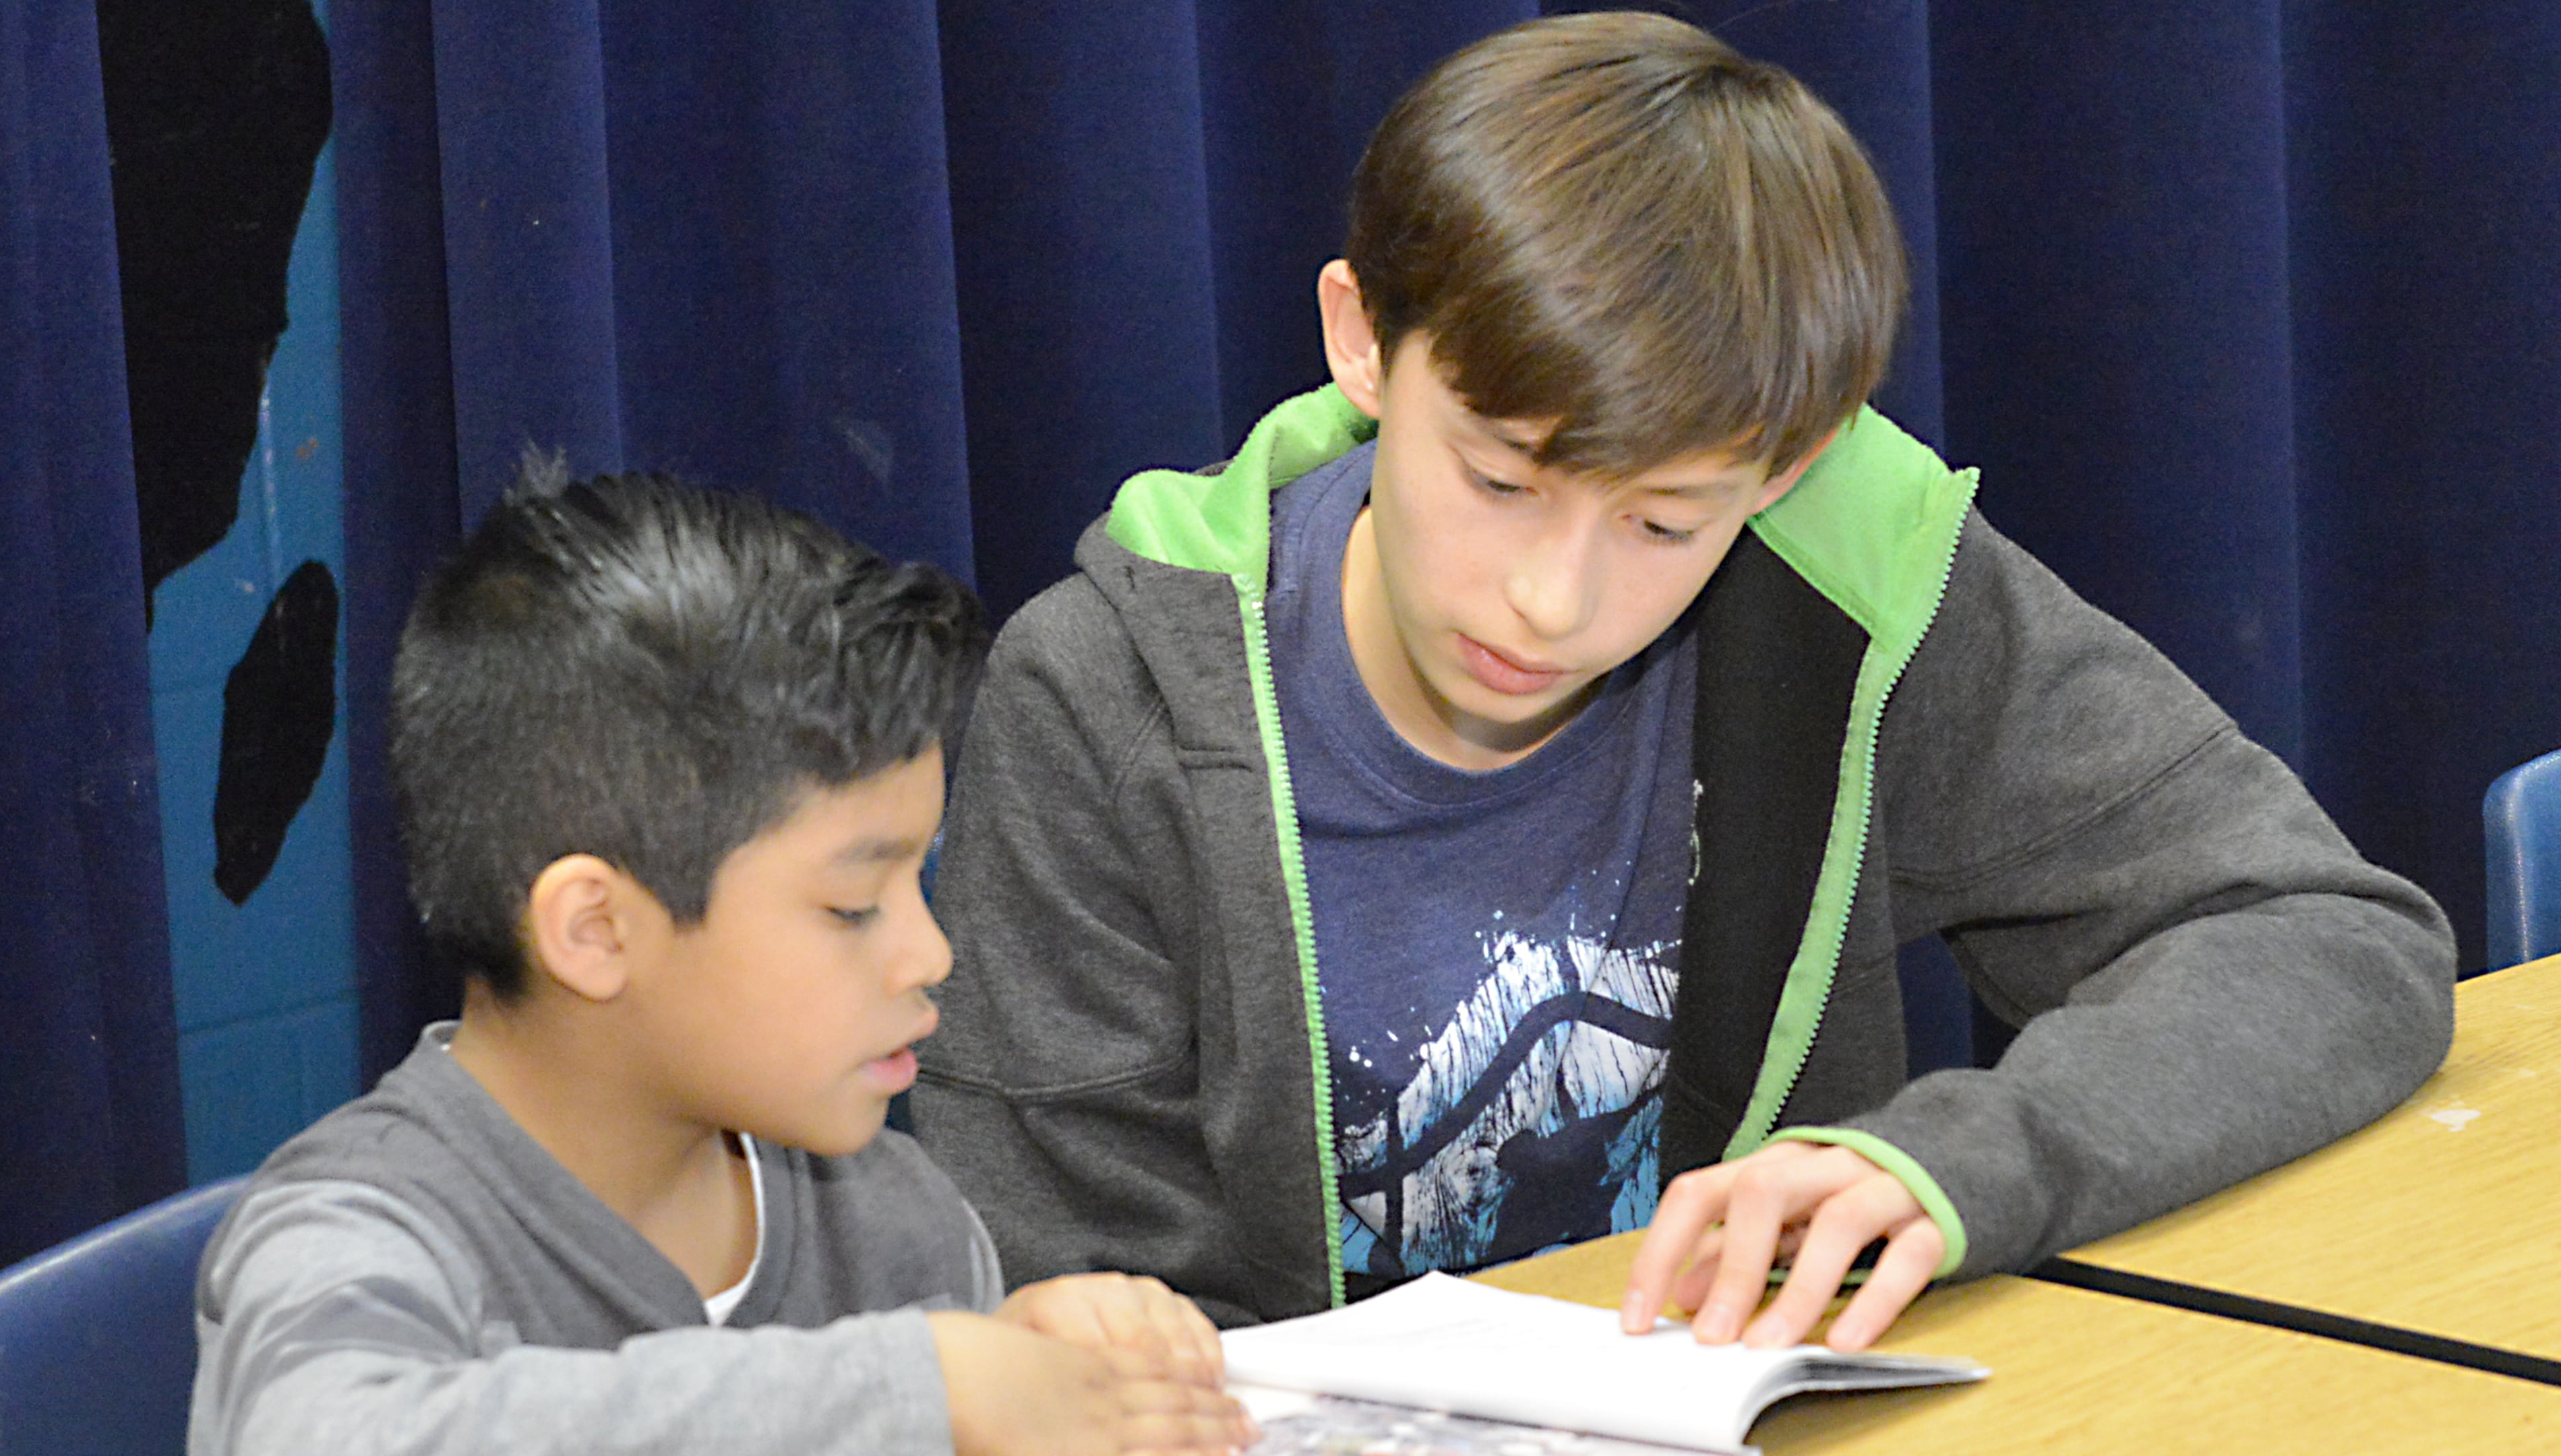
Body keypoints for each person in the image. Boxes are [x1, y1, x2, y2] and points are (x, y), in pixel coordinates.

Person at [911, 11, 2456, 1354]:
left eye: (1664, 522)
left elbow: (2321, 934)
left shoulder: (1849, 587)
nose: (1555, 600)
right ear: (1364, 344)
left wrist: (1944, 1169)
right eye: (1502, 480)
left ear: (1783, 469)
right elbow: (1069, 1305)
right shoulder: (1107, 698)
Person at [188, 461, 1259, 1456]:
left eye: (915, 885)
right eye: (851, 906)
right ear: (596, 932)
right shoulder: (354, 1231)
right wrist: (927, 1390)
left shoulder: (896, 1222)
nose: (929, 953)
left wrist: (1037, 1377)